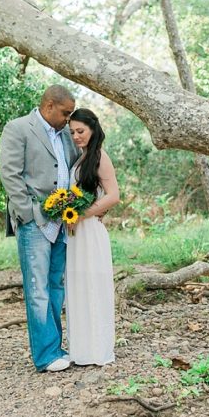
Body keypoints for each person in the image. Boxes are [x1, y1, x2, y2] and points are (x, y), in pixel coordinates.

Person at [0, 85, 80, 373]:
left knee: (56, 285)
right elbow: (9, 173)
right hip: (34, 220)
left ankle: (56, 347)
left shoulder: (67, 134)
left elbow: (73, 166)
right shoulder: (18, 128)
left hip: (63, 220)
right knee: (37, 288)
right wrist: (27, 214)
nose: (69, 119)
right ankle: (45, 356)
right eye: (65, 113)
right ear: (48, 107)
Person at [65, 108, 120, 366]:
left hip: (91, 232)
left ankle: (98, 349)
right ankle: (81, 350)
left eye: (80, 131)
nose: (76, 136)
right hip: (76, 234)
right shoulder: (81, 158)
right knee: (78, 287)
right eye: (72, 132)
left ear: (93, 129)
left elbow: (113, 196)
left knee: (94, 286)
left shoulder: (99, 156)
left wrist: (83, 214)